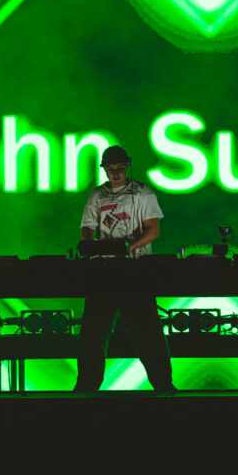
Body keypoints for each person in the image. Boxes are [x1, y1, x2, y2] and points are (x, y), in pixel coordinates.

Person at [73, 145, 176, 392]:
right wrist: (89, 247)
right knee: (93, 333)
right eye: (110, 169)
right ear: (104, 169)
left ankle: (163, 385)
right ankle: (86, 387)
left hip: (135, 270)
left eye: (119, 168)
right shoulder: (97, 195)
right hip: (103, 271)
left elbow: (153, 230)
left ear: (128, 165)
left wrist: (128, 247)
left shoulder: (143, 193)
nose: (115, 174)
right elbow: (87, 227)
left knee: (146, 332)